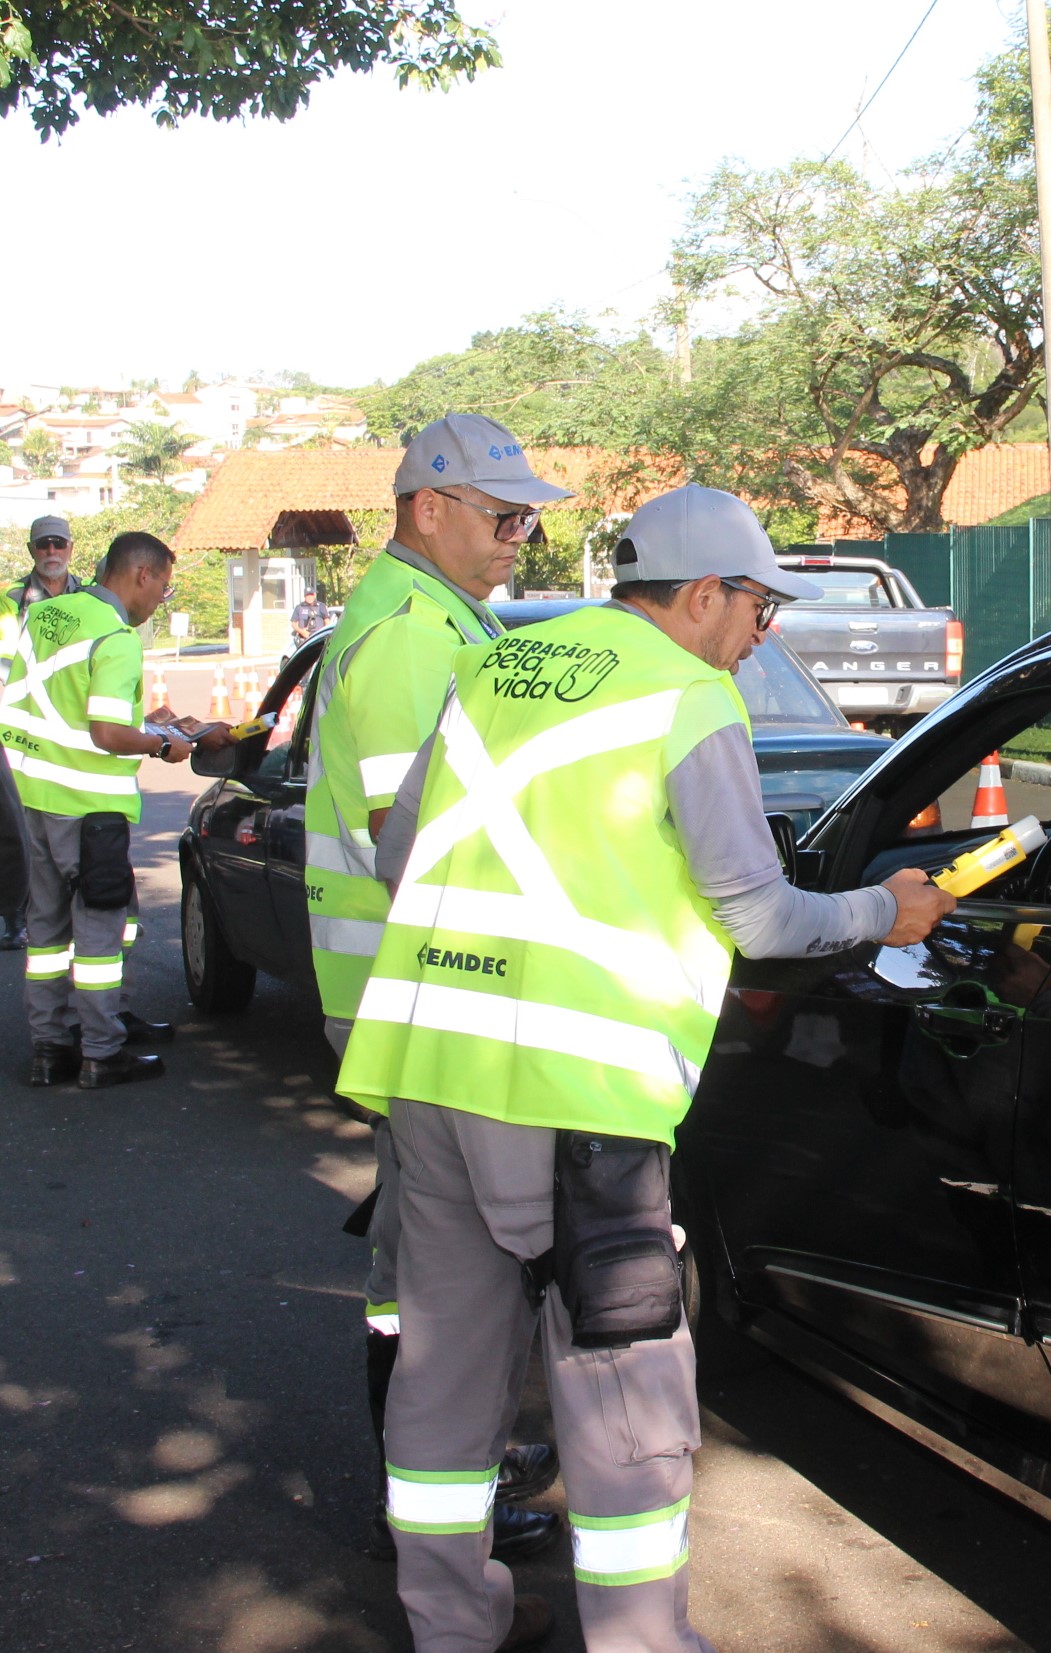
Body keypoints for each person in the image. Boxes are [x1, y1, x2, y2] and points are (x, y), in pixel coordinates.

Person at [336, 485, 957, 1653]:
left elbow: (397, 845)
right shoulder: (688, 694)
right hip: (579, 1096)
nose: (759, 634)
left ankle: (450, 1626)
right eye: (761, 609)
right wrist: (887, 910)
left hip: (426, 1064)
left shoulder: (501, 662)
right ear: (705, 594)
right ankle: (636, 1639)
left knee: (444, 1365)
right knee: (623, 1385)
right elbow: (760, 916)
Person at [301, 413, 566, 1564]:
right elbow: (412, 839)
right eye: (505, 516)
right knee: (431, 1273)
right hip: (414, 990)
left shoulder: (442, 614)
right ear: (428, 509)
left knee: (426, 1261)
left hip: (420, 988)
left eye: (530, 518)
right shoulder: (410, 633)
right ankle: (434, 1502)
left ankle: (444, 1479)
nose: (522, 536)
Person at [0, 532, 226, 1087]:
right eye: (165, 588)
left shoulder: (46, 616)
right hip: (90, 809)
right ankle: (102, 1050)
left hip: (35, 800)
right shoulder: (118, 638)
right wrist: (164, 744)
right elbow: (105, 733)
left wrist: (147, 722)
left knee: (47, 934)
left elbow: (65, 710)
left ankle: (51, 1047)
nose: (161, 600)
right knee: (103, 931)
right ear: (142, 575)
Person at [0, 515, 86, 951]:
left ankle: (86, 915)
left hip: (73, 730)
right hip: (20, 729)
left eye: (58, 544)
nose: (51, 552)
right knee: (16, 826)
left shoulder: (89, 598)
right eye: (42, 545)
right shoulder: (11, 601)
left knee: (74, 826)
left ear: (71, 547)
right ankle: (13, 913)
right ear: (31, 551)